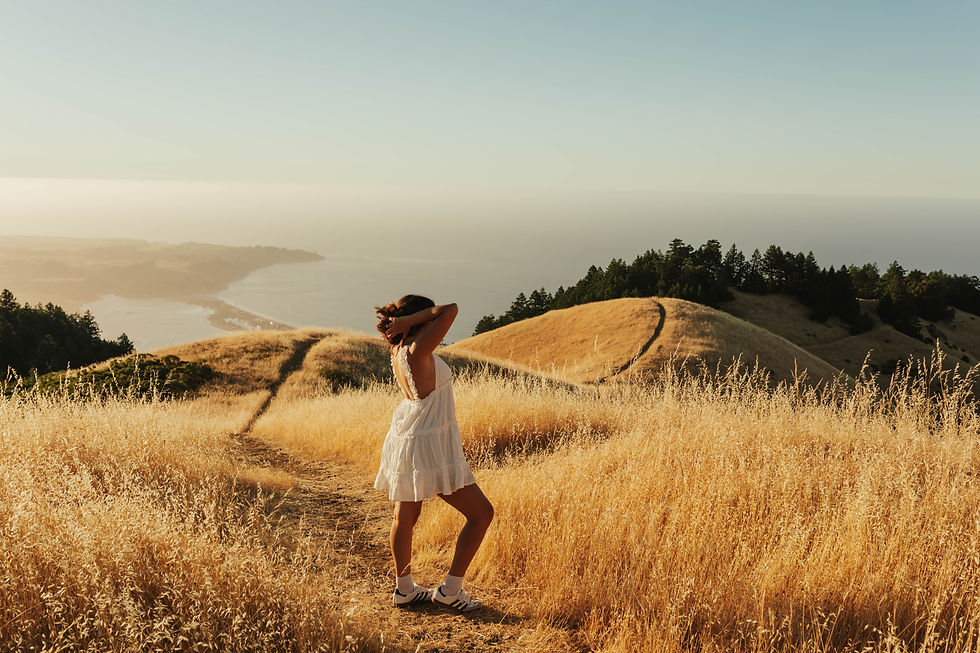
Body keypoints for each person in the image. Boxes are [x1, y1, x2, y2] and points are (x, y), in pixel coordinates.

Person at [373, 295, 494, 613]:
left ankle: (405, 590)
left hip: (410, 436)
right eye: (426, 318)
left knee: (405, 518)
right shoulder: (416, 349)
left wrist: (406, 323)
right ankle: (451, 590)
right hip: (429, 446)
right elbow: (452, 309)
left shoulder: (399, 351)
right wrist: (410, 321)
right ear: (419, 321)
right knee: (481, 514)